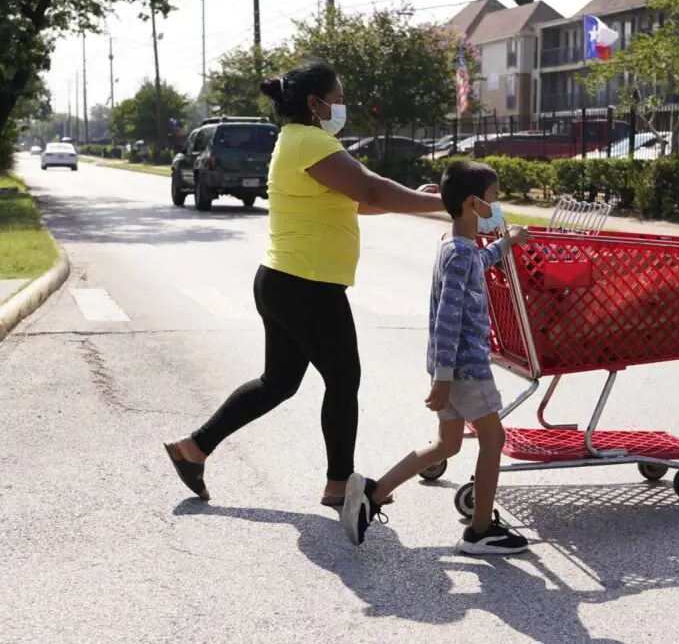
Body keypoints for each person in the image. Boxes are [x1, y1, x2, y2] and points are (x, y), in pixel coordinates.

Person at [163, 61, 444, 507]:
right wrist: (446, 202)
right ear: (314, 103)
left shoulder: (296, 141)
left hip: (284, 282)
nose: (341, 106)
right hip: (306, 285)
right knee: (344, 378)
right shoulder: (311, 142)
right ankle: (339, 484)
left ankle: (193, 449)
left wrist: (418, 200)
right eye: (336, 98)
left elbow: (356, 203)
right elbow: (369, 190)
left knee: (278, 383)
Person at [341, 159, 531, 555]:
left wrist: (505, 244)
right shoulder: (460, 253)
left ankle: (373, 494)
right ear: (472, 203)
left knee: (448, 444)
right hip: (464, 367)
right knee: (494, 439)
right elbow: (448, 318)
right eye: (493, 199)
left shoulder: (455, 244)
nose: (497, 207)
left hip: (453, 366)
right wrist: (444, 376)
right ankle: (480, 532)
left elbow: (477, 263)